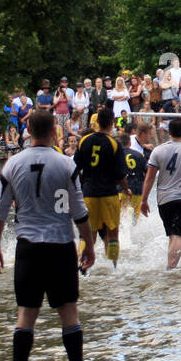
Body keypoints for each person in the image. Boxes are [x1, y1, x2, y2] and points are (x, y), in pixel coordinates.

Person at [0, 109, 95, 361]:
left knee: (25, 314)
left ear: (28, 132)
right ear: (54, 132)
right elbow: (79, 211)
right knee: (69, 313)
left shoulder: (12, 164)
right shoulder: (66, 164)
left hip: (28, 247)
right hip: (60, 247)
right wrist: (90, 244)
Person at [140, 117, 181, 268]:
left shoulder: (158, 150)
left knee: (172, 234)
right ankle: (171, 269)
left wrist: (143, 200)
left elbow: (149, 178)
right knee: (178, 236)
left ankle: (170, 265)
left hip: (163, 199)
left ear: (168, 132)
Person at [74, 108, 129, 265]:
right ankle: (113, 267)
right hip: (109, 194)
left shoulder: (84, 141)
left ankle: (83, 265)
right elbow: (120, 176)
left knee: (87, 234)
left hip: (88, 194)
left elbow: (75, 169)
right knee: (112, 233)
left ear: (97, 122)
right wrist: (126, 189)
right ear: (112, 123)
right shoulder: (114, 144)